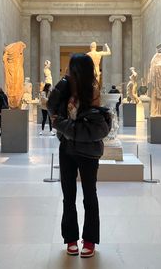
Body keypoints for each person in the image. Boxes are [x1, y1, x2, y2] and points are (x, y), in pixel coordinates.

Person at [47, 54, 111, 258]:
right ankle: (71, 238)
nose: (68, 72)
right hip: (67, 150)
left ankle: (90, 239)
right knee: (68, 196)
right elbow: (50, 107)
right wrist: (63, 82)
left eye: (71, 69)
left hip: (88, 153)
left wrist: (63, 126)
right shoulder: (66, 89)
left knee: (89, 196)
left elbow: (95, 129)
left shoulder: (92, 91)